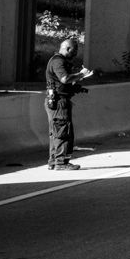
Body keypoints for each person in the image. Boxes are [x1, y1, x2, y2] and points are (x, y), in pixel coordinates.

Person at [44, 36, 91, 170]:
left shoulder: (57, 61)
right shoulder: (58, 61)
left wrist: (76, 88)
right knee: (63, 131)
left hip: (56, 100)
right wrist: (81, 74)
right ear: (67, 48)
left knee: (56, 131)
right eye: (74, 51)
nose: (75, 54)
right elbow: (64, 79)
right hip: (59, 102)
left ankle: (53, 161)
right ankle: (61, 163)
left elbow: (62, 82)